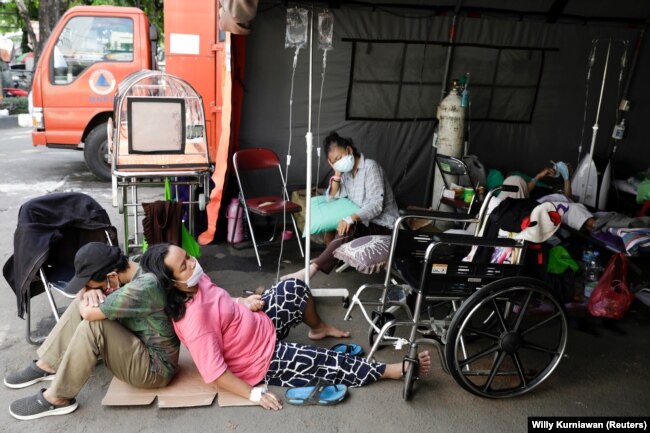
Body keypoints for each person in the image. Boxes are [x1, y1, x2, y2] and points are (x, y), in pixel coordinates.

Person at [141, 243, 431, 411]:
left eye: (188, 257)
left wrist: (241, 302)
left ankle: (318, 327)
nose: (193, 264)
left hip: (257, 323)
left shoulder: (195, 281)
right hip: (260, 360)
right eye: (184, 266)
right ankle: (392, 370)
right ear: (172, 283)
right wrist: (253, 395)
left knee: (294, 287)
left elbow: (218, 298)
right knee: (323, 361)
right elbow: (215, 374)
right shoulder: (194, 322)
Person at [5, 242, 180, 420]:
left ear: (111, 276)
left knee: (93, 321)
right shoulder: (132, 265)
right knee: (89, 300)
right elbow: (89, 300)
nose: (87, 286)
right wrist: (88, 289)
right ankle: (48, 364)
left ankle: (58, 398)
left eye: (90, 281)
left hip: (155, 370)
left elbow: (88, 313)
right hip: (138, 344)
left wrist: (87, 294)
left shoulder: (143, 288)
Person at [283, 131, 400, 281]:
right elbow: (331, 197)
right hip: (366, 223)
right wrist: (337, 173)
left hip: (384, 225)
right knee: (332, 226)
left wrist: (351, 218)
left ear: (349, 150)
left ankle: (312, 269)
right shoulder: (346, 174)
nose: (338, 162)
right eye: (334, 161)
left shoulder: (370, 167)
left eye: (339, 158)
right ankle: (329, 259)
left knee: (348, 226)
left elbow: (376, 205)